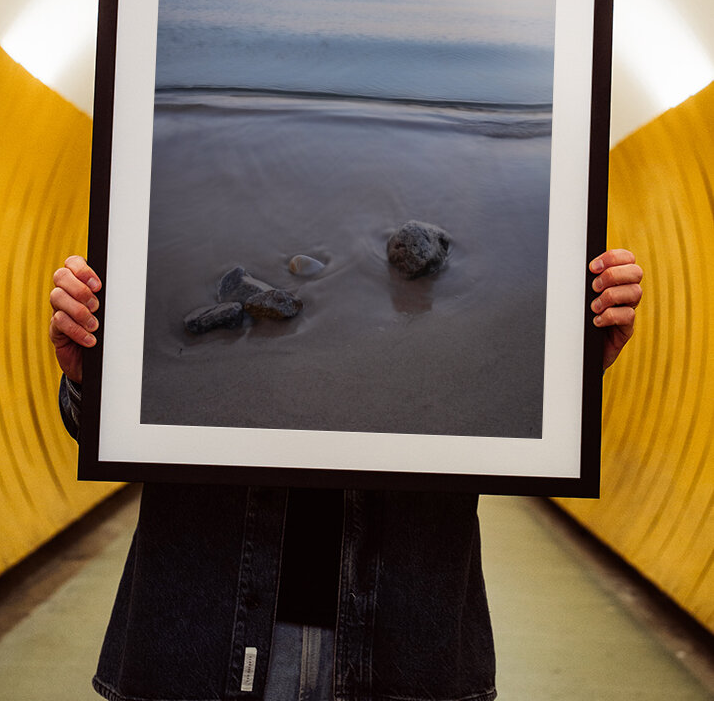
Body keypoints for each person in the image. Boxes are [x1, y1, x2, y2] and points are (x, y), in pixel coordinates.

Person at [50, 248, 643, 701]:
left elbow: (507, 422)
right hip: (200, 638)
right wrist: (91, 379)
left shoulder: (459, 334)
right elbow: (108, 429)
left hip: (405, 645)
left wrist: (568, 373)